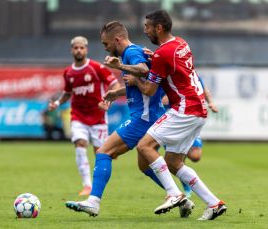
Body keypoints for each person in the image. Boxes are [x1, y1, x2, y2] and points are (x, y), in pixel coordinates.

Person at [65, 21, 194, 218]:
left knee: (104, 152)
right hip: (152, 117)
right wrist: (117, 92)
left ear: (117, 39)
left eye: (106, 44)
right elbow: (146, 80)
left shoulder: (131, 53)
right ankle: (180, 197)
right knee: (144, 166)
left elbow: (142, 70)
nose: (106, 48)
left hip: (143, 118)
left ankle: (93, 202)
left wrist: (120, 66)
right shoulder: (133, 52)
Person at [132, 9, 226, 220]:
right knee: (174, 162)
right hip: (198, 108)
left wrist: (133, 78)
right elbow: (170, 63)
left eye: (147, 27)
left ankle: (174, 193)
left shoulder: (162, 54)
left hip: (185, 108)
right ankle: (214, 203)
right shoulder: (181, 43)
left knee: (144, 146)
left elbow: (148, 90)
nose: (145, 31)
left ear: (159, 27)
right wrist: (154, 57)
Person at [49, 36, 121, 196]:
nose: (79, 50)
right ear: (72, 50)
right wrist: (57, 103)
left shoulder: (96, 67)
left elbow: (115, 84)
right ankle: (87, 185)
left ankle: (98, 183)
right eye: (76, 48)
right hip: (79, 116)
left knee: (101, 153)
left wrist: (109, 101)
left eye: (82, 48)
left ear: (86, 50)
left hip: (98, 117)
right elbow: (67, 94)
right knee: (80, 144)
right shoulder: (68, 72)